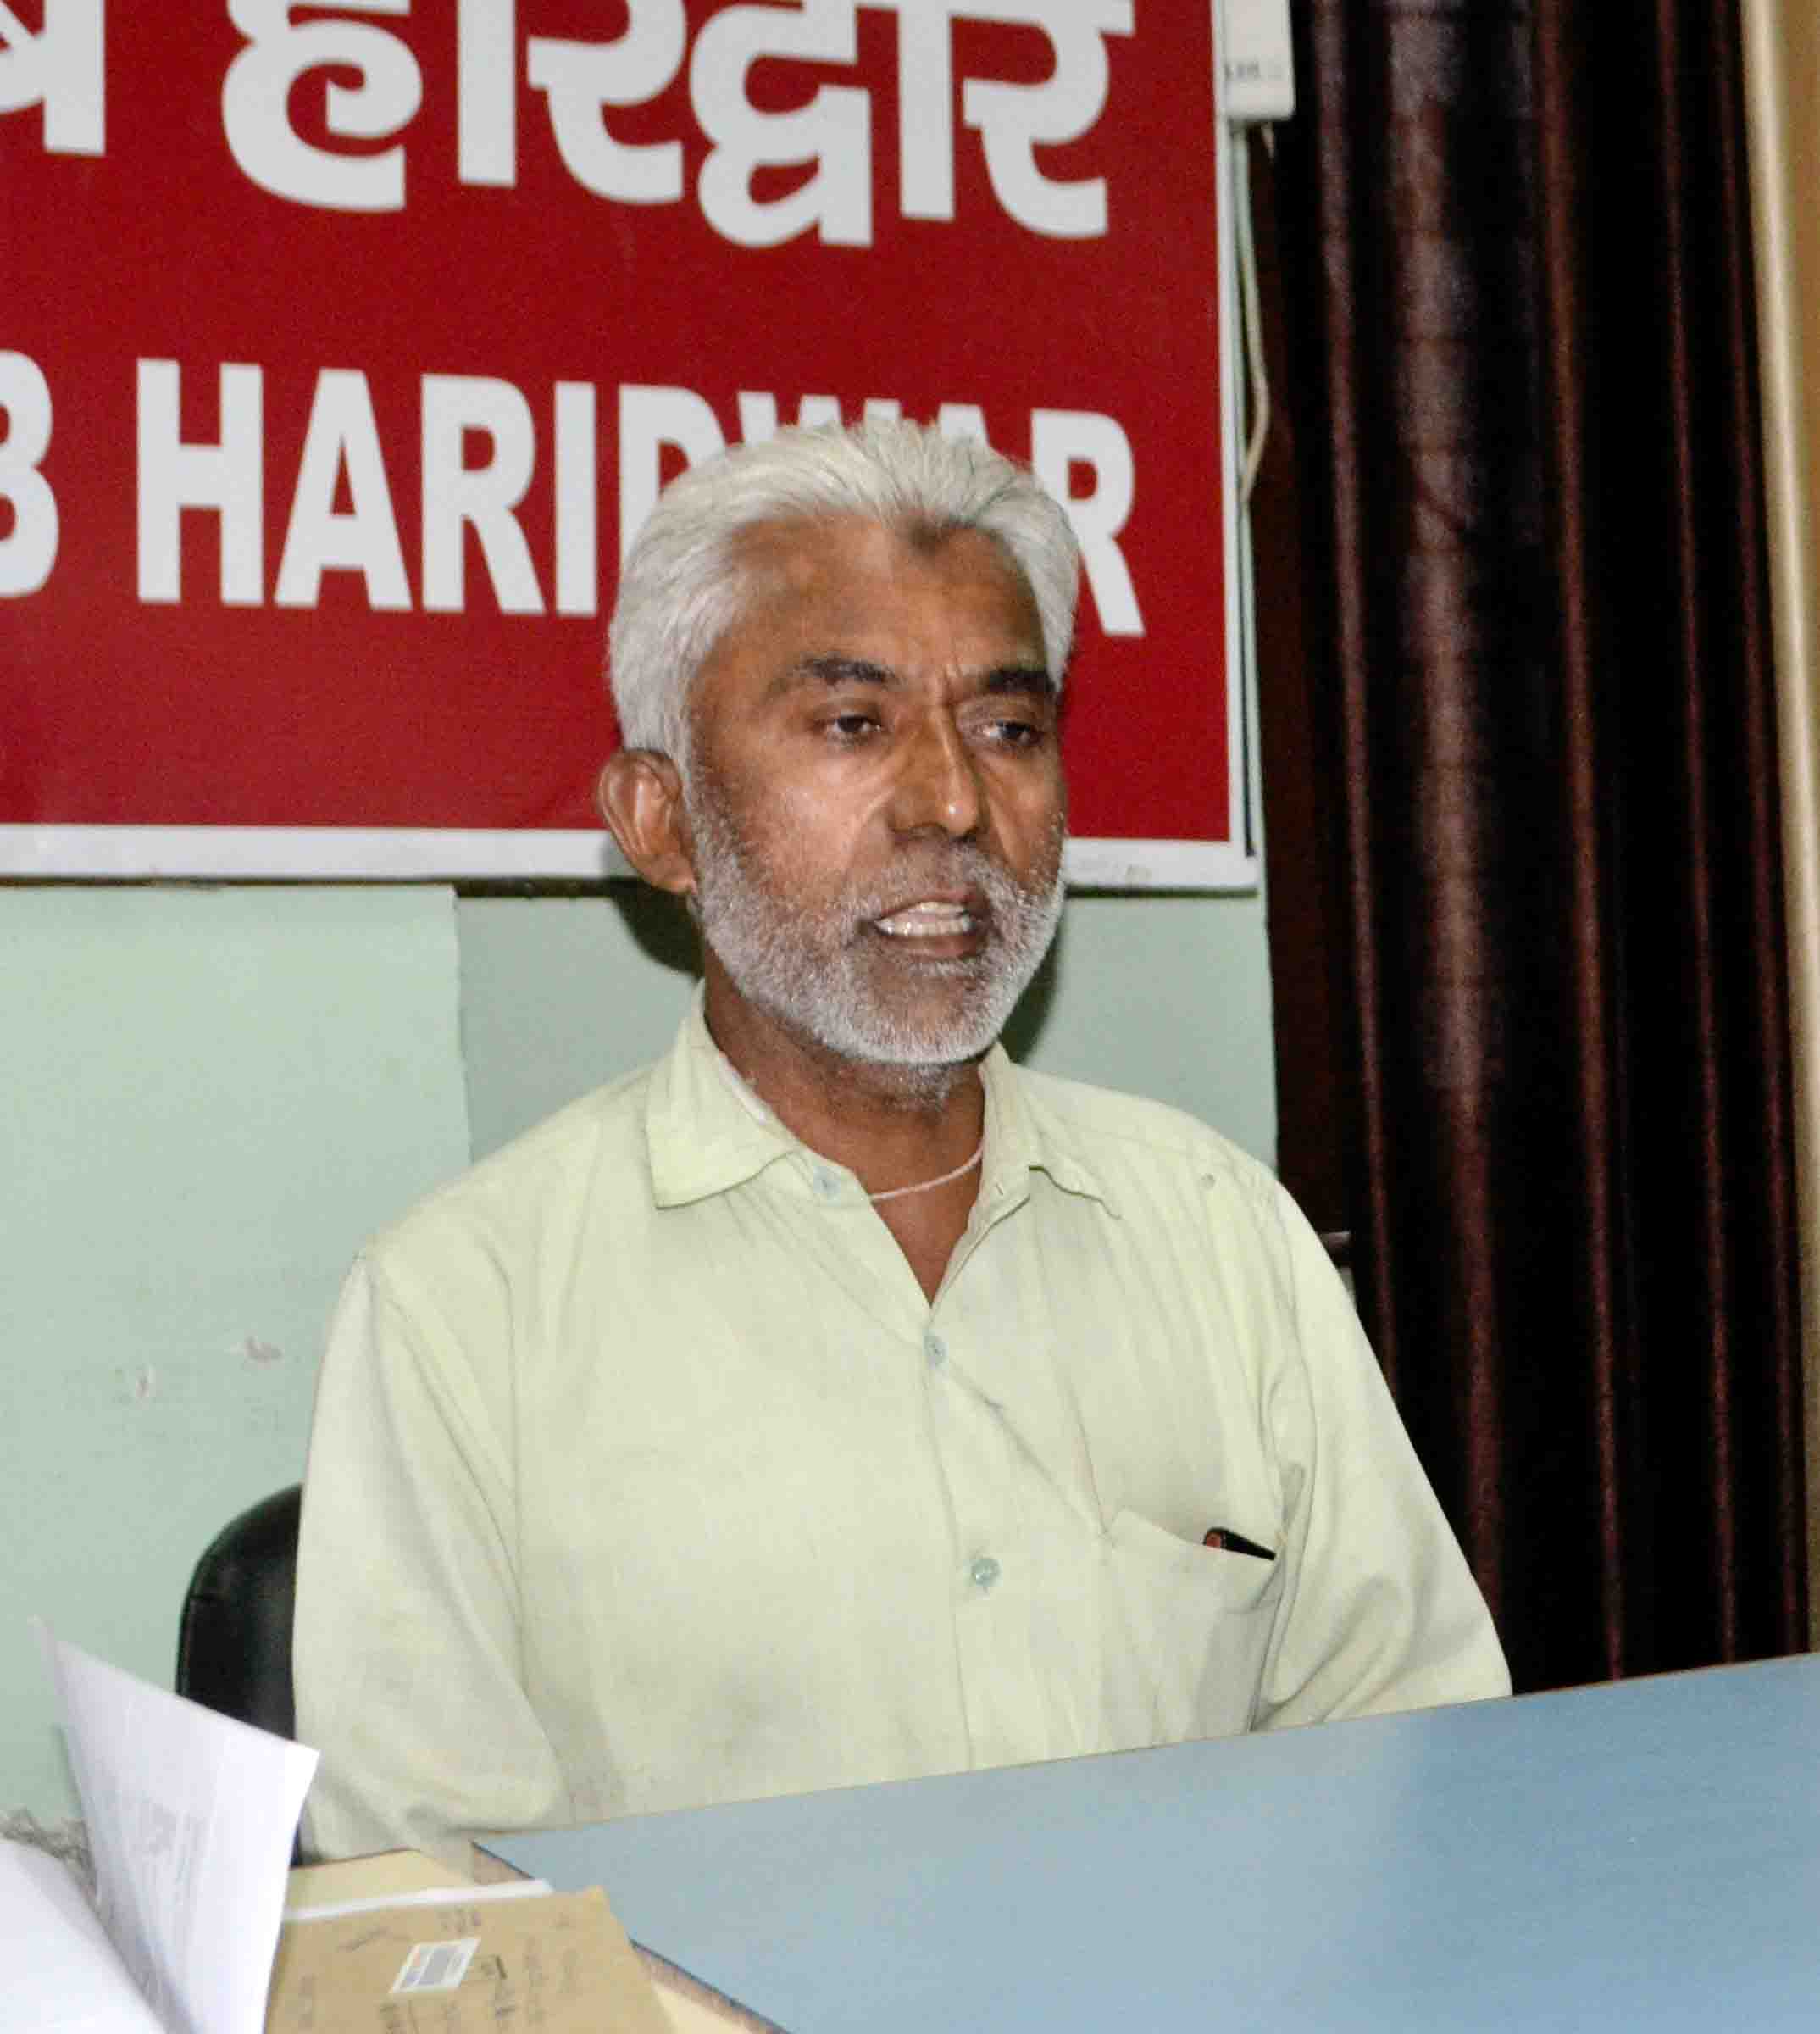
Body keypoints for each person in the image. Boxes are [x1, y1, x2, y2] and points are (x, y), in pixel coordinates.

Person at [294, 420, 1508, 1863]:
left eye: (1008, 729)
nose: (952, 803)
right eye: (853, 726)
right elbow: (435, 1919)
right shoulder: (463, 1309)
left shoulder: (1218, 1230)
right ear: (662, 821)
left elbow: (1423, 1766)